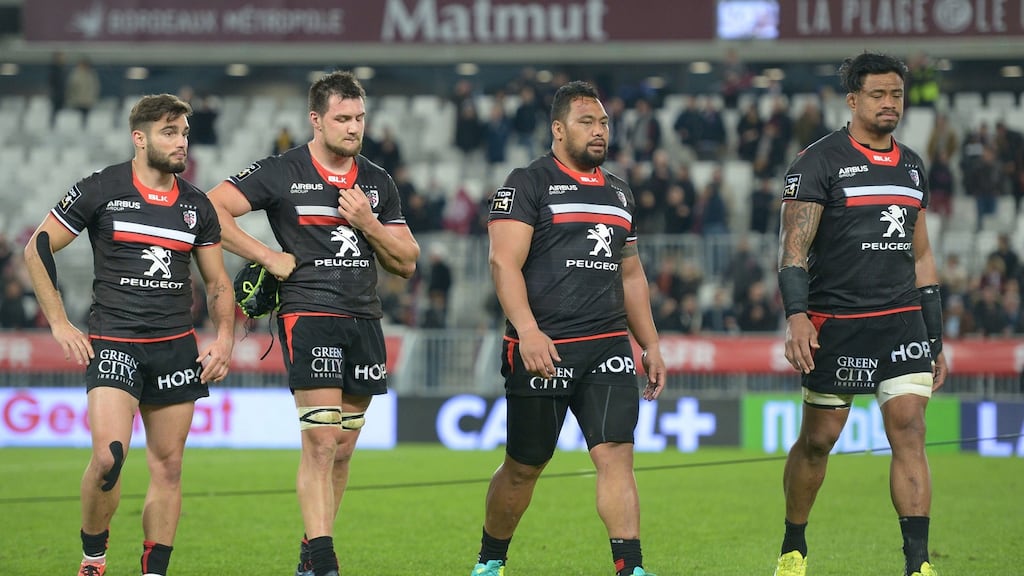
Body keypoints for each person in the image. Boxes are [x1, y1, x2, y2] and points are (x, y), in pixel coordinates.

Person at [206, 71, 419, 576]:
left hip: (364, 316)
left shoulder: (377, 181)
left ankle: (311, 548)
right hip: (309, 311)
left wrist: (367, 223)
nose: (353, 128)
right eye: (342, 118)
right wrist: (268, 255)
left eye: (359, 118)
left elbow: (407, 261)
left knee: (342, 449)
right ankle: (324, 559)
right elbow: (211, 208)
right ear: (316, 119)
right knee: (321, 440)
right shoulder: (283, 171)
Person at [22, 93, 235, 576]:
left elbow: (218, 282)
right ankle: (94, 558)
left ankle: (153, 570)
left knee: (169, 468)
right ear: (139, 138)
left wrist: (223, 338)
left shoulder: (197, 205)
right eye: (169, 132)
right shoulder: (102, 188)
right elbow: (37, 248)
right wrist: (59, 322)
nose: (181, 141)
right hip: (116, 343)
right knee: (107, 458)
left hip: (175, 346)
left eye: (184, 132)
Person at [470, 80, 665, 576]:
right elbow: (502, 263)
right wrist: (529, 331)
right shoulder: (527, 184)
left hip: (607, 346)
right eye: (586, 122)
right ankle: (491, 562)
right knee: (524, 467)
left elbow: (631, 273)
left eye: (603, 122)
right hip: (544, 347)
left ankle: (630, 566)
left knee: (617, 454)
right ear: (558, 130)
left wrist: (651, 344)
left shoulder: (620, 192)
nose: (599, 131)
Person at [773, 53, 947, 576]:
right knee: (819, 440)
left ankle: (918, 564)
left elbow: (921, 254)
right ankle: (794, 546)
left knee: (909, 427)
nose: (890, 103)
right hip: (837, 325)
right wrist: (797, 316)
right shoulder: (818, 162)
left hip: (901, 320)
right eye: (878, 94)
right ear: (853, 100)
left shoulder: (913, 166)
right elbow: (793, 251)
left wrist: (935, 334)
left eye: (897, 94)